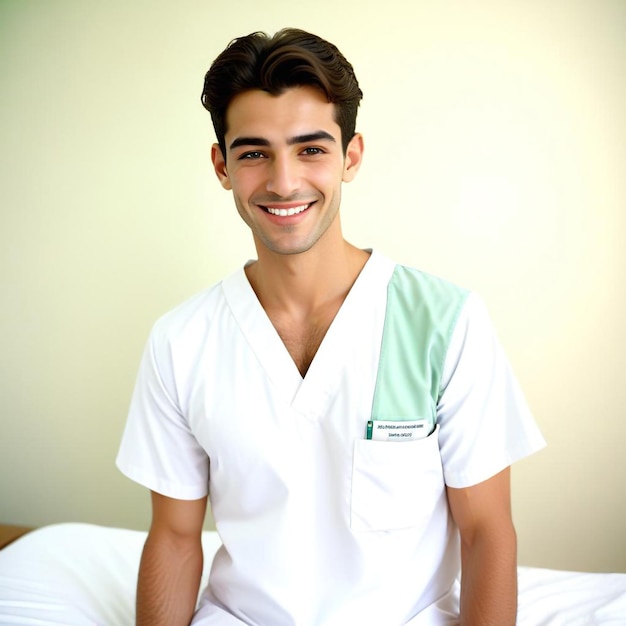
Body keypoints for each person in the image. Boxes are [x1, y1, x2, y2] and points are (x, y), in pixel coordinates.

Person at [116, 28, 545, 626]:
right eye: (253, 152)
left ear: (352, 155)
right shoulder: (180, 342)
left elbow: (486, 533)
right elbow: (174, 537)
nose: (284, 182)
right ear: (222, 165)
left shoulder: (447, 323)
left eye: (311, 149)